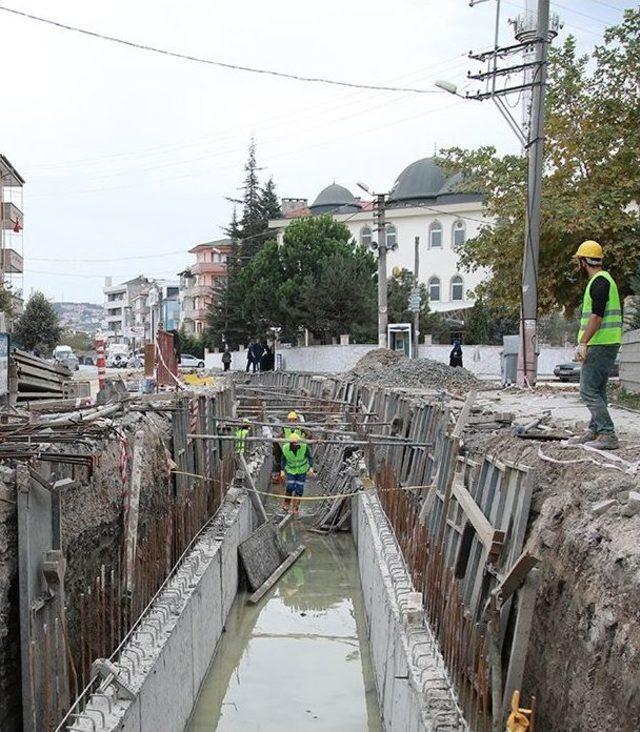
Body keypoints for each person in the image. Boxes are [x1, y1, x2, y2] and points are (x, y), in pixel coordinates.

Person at [567, 240, 622, 450]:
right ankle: (595, 429)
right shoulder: (604, 280)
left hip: (601, 342)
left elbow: (597, 317)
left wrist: (583, 343)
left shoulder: (599, 282)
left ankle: (607, 433)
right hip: (606, 342)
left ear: (583, 262)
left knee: (588, 389)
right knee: (598, 389)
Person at [280, 432, 314, 515]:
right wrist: (282, 470)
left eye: (298, 444)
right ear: (291, 444)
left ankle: (296, 507)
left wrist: (311, 468)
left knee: (299, 489)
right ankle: (286, 504)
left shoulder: (304, 447)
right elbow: (283, 459)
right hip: (291, 470)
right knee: (290, 486)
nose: (297, 446)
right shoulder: (285, 448)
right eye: (295, 444)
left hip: (302, 470)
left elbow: (310, 457)